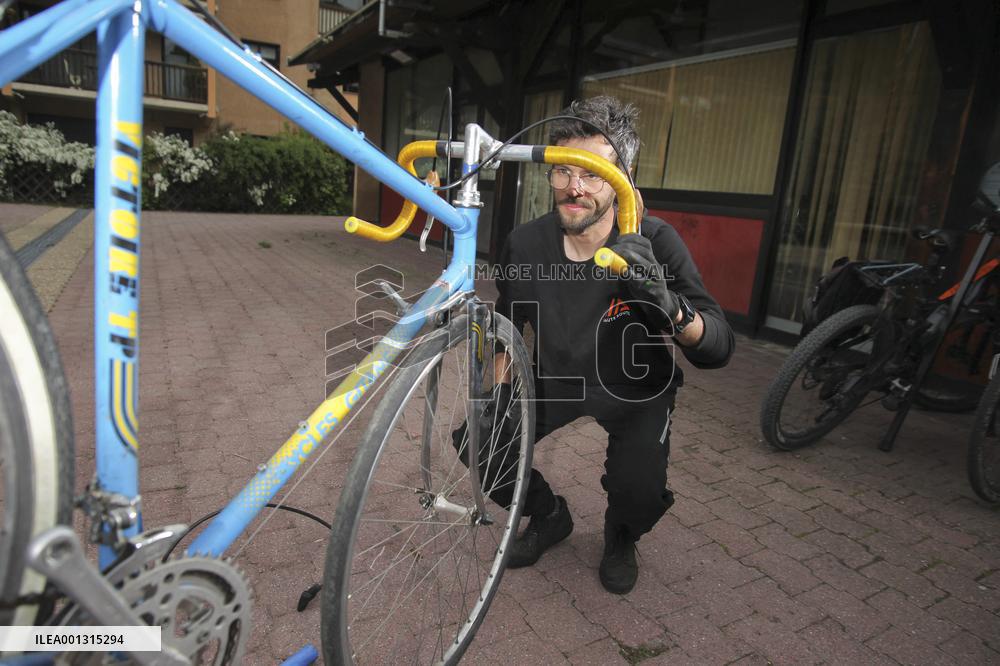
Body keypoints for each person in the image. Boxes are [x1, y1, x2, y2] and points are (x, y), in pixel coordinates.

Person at [485, 95, 735, 594]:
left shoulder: (654, 241)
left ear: (625, 176)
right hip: (557, 379)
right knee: (482, 444)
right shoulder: (525, 244)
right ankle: (549, 515)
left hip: (637, 388)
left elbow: (719, 345)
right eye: (562, 170)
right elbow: (507, 327)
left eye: (595, 173)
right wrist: (497, 401)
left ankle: (622, 534)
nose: (574, 188)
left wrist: (671, 307)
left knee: (638, 491)